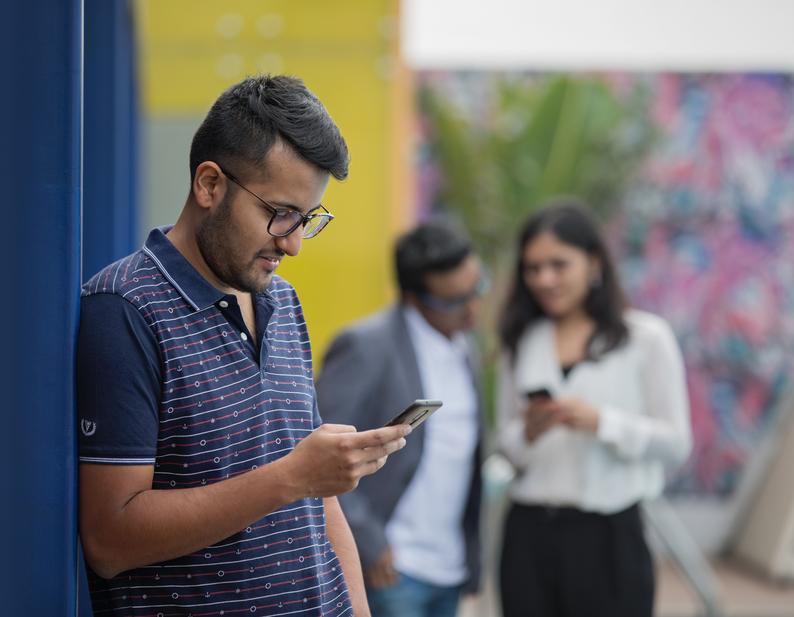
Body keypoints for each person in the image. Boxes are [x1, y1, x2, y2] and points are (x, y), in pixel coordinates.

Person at [76, 75, 411, 617]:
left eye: (306, 220)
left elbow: (318, 502)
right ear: (209, 184)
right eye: (279, 214)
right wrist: (290, 477)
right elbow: (110, 539)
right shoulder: (124, 309)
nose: (294, 243)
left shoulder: (283, 301)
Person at [495, 199, 693, 617]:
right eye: (532, 268)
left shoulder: (646, 338)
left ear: (594, 263)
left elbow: (676, 444)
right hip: (530, 532)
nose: (544, 279)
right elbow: (508, 444)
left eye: (558, 264)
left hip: (609, 536)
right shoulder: (522, 340)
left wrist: (603, 422)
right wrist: (530, 431)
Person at [316, 220, 486, 617]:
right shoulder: (367, 345)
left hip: (450, 566)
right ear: (415, 297)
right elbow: (319, 446)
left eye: (478, 288)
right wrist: (368, 539)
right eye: (456, 300)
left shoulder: (465, 347)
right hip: (394, 569)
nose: (473, 308)